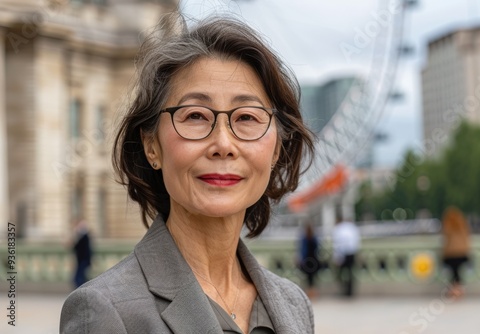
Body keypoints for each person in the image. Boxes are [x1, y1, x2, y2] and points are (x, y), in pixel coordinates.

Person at [60, 14, 315, 334]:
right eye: (195, 115)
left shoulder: (295, 305)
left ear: (276, 149)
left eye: (247, 117)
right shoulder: (103, 312)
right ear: (151, 145)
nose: (223, 144)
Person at [441, 206, 470, 298]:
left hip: (452, 254)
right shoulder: (462, 226)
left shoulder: (448, 227)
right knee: (457, 272)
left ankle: (455, 290)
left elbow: (446, 241)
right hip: (462, 253)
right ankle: (458, 290)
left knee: (454, 272)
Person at [331, 212, 360, 297]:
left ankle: (343, 291)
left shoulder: (338, 229)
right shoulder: (352, 228)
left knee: (340, 273)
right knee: (350, 273)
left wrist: (337, 256)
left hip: (343, 254)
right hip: (352, 252)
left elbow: (338, 244)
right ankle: (350, 291)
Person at [298, 222, 321, 300]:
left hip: (307, 260)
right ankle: (313, 293)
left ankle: (310, 293)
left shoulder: (305, 238)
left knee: (308, 278)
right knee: (313, 278)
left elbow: (303, 250)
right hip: (314, 260)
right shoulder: (314, 238)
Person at [71, 218, 93, 289]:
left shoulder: (84, 236)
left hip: (83, 260)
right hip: (82, 260)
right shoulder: (84, 236)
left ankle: (81, 290)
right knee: (81, 276)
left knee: (78, 278)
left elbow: (76, 247)